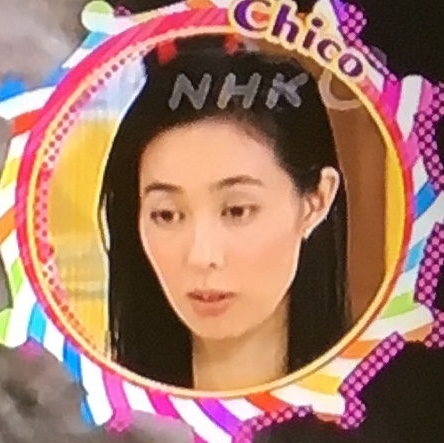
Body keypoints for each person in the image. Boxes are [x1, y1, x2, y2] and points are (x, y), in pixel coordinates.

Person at [99, 39, 351, 393]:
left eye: (237, 211)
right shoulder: (86, 416)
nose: (201, 256)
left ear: (316, 201)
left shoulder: (381, 416)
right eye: (167, 215)